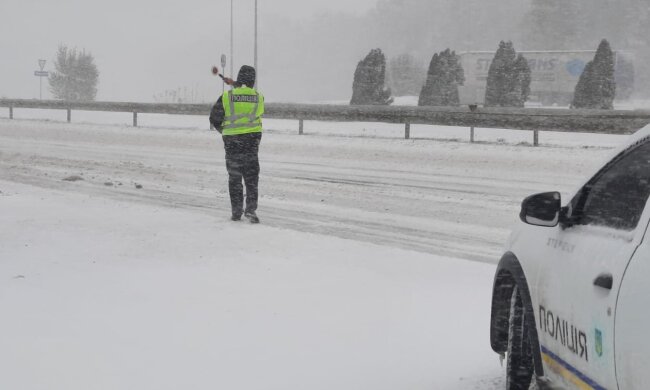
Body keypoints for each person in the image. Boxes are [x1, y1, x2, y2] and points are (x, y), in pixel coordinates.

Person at [209, 65, 264, 224]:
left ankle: (236, 211)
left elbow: (214, 118)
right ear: (253, 80)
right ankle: (251, 209)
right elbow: (251, 107)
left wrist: (225, 131)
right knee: (252, 177)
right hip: (252, 142)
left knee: (235, 177)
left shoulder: (227, 96)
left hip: (232, 142)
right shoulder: (258, 97)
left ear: (239, 79)